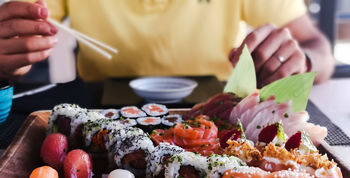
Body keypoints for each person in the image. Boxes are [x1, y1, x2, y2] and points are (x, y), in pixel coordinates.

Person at [0, 0, 334, 87]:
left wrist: (301, 61)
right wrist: (14, 55)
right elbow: (27, 34)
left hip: (224, 112)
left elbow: (316, 47)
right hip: (99, 109)